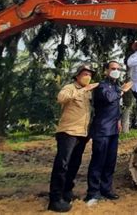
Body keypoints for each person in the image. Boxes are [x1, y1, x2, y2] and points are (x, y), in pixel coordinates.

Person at [48, 64, 98, 213]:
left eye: (89, 74)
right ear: (77, 76)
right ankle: (55, 199)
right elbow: (61, 98)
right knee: (62, 164)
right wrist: (82, 90)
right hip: (68, 132)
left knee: (74, 164)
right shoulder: (70, 87)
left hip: (82, 133)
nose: (87, 77)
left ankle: (67, 192)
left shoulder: (89, 93)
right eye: (84, 74)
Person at [85, 61, 133, 204]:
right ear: (106, 70)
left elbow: (116, 106)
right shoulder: (101, 86)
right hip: (102, 129)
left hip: (113, 129)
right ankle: (93, 192)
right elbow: (109, 98)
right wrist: (123, 90)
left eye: (118, 69)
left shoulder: (116, 86)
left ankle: (106, 189)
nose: (116, 71)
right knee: (98, 161)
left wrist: (118, 120)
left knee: (110, 161)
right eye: (113, 68)